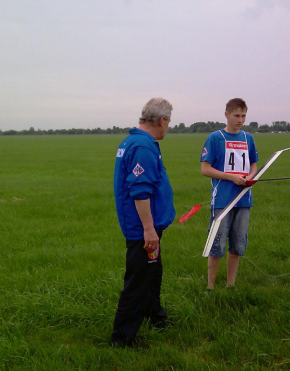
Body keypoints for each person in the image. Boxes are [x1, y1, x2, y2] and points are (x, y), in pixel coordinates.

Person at [110, 97, 175, 347]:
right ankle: (123, 338)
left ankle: (154, 316)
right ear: (162, 120)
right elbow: (140, 192)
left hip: (149, 228)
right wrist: (148, 230)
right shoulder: (142, 147)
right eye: (169, 122)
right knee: (138, 281)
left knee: (152, 274)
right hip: (142, 230)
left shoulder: (135, 141)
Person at [200, 98, 259, 290]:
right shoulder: (215, 138)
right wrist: (230, 177)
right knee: (217, 246)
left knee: (238, 245)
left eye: (243, 116)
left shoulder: (248, 138)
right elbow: (205, 169)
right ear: (226, 114)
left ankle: (230, 285)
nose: (240, 120)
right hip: (222, 200)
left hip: (244, 199)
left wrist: (250, 177)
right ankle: (210, 287)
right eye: (236, 115)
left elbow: (253, 165)